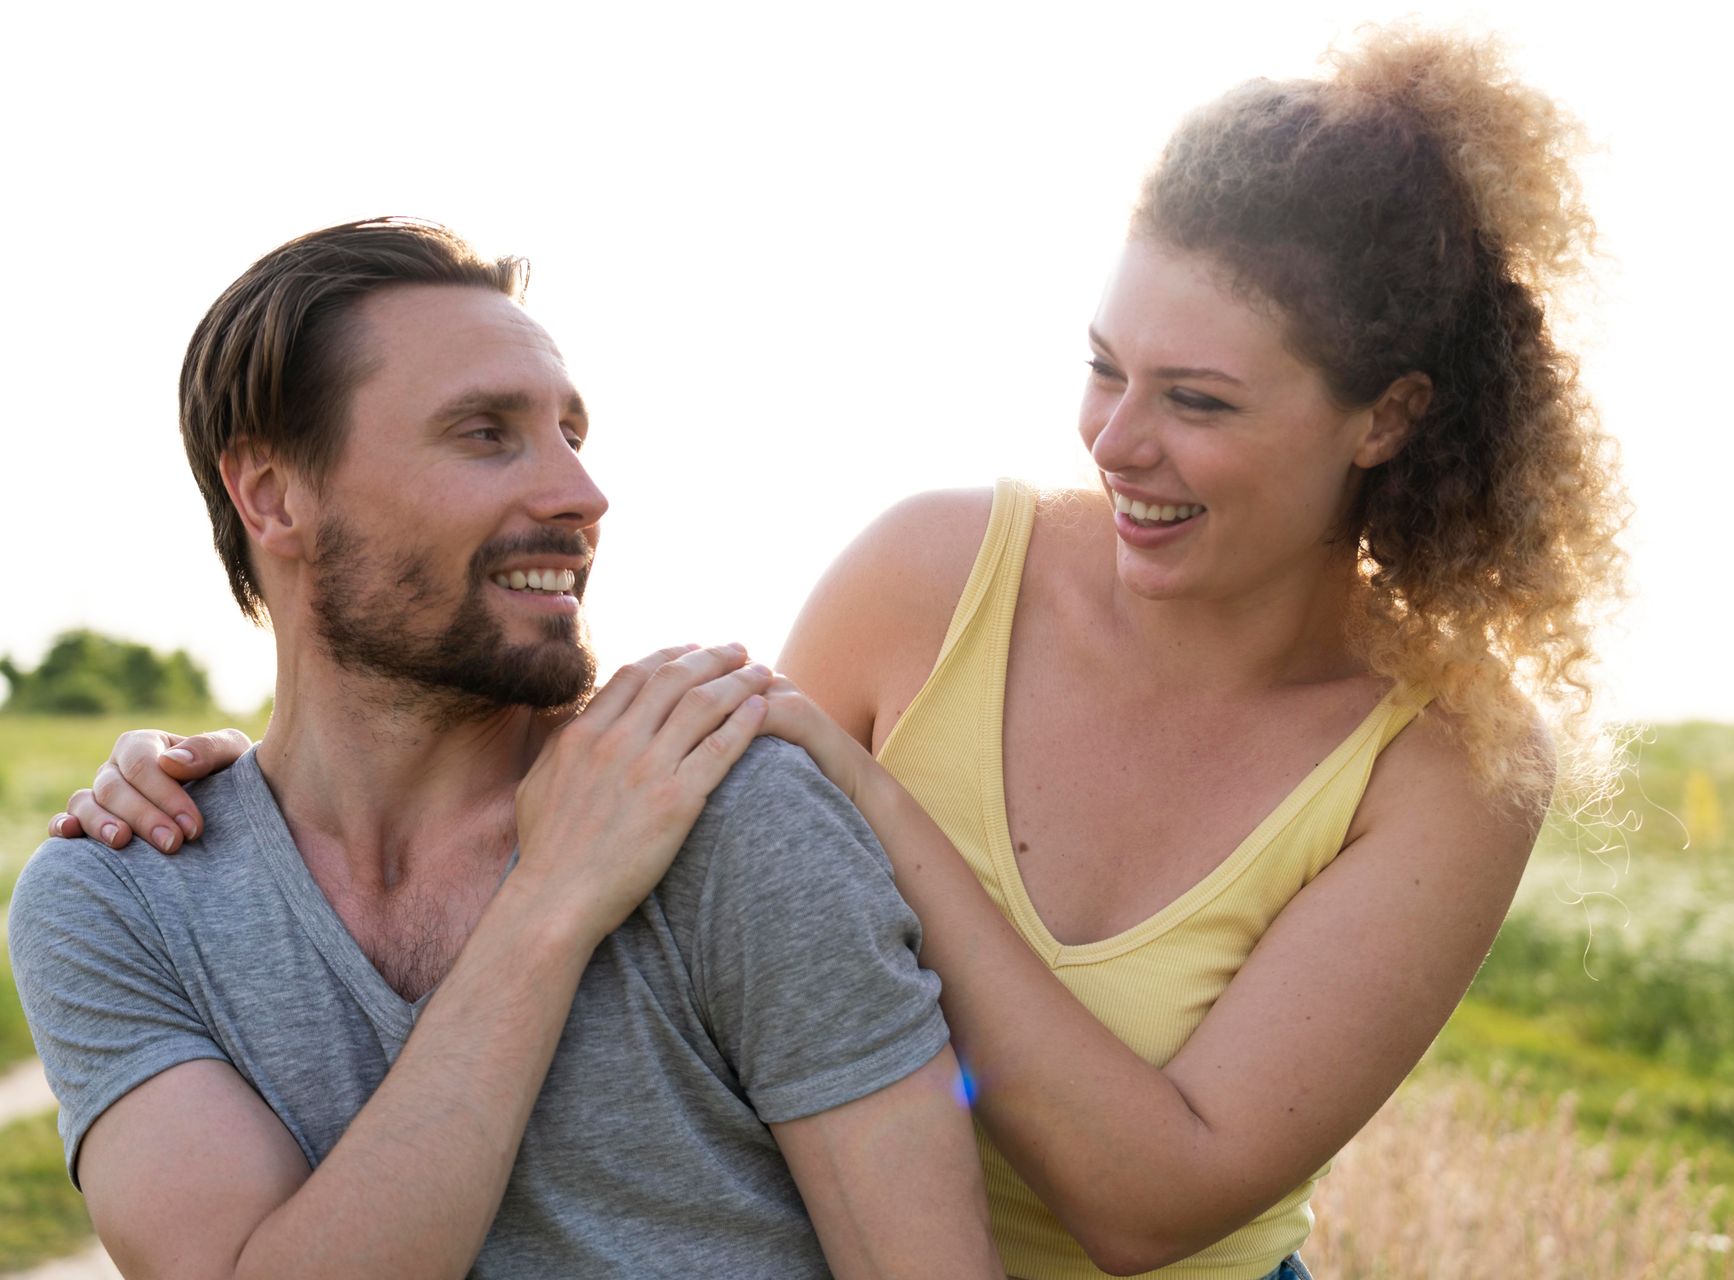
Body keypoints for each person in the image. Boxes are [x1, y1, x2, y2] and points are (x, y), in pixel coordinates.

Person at [53, 27, 1627, 1280]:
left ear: (1388, 418)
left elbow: (1154, 1203)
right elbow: (666, 830)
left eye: (1199, 401)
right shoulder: (931, 572)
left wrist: (863, 804)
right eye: (1101, 368)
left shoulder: (1444, 762)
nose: (1116, 440)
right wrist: (205, 786)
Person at [8, 219, 1003, 1280]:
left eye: (572, 431)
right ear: (273, 495)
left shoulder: (735, 815)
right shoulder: (121, 897)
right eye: (486, 432)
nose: (581, 492)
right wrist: (550, 903)